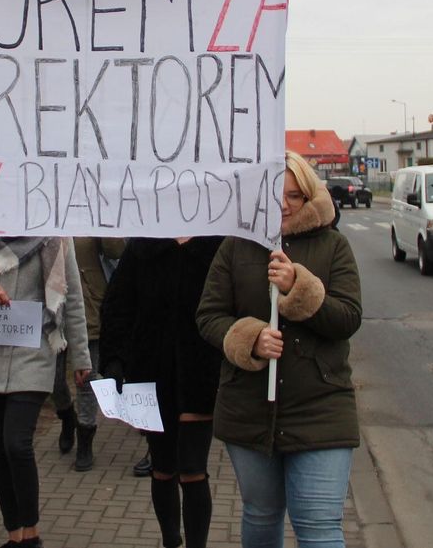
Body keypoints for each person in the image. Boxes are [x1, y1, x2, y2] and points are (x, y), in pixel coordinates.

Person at [196, 151, 363, 548]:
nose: (282, 204)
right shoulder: (237, 246)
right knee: (261, 515)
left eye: (293, 195)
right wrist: (249, 338)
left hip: (321, 409)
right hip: (249, 408)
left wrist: (298, 289)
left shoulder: (333, 246)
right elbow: (208, 315)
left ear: (308, 197)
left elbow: (348, 318)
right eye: (274, 193)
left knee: (320, 529)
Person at [0, 235, 92, 548]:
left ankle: (32, 535)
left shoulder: (55, 236)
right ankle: (15, 536)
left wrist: (81, 355)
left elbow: (72, 296)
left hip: (33, 350)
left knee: (17, 443)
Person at [100, 236, 224, 548]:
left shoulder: (217, 243)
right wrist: (115, 360)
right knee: (163, 468)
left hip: (201, 369)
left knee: (193, 468)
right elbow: (118, 304)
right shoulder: (144, 245)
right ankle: (171, 540)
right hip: (150, 371)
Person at [67, 236, 126, 471]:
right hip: (48, 308)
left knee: (86, 379)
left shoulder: (88, 214)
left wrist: (106, 225)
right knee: (54, 384)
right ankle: (64, 414)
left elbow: (115, 251)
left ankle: (85, 434)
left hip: (87, 306)